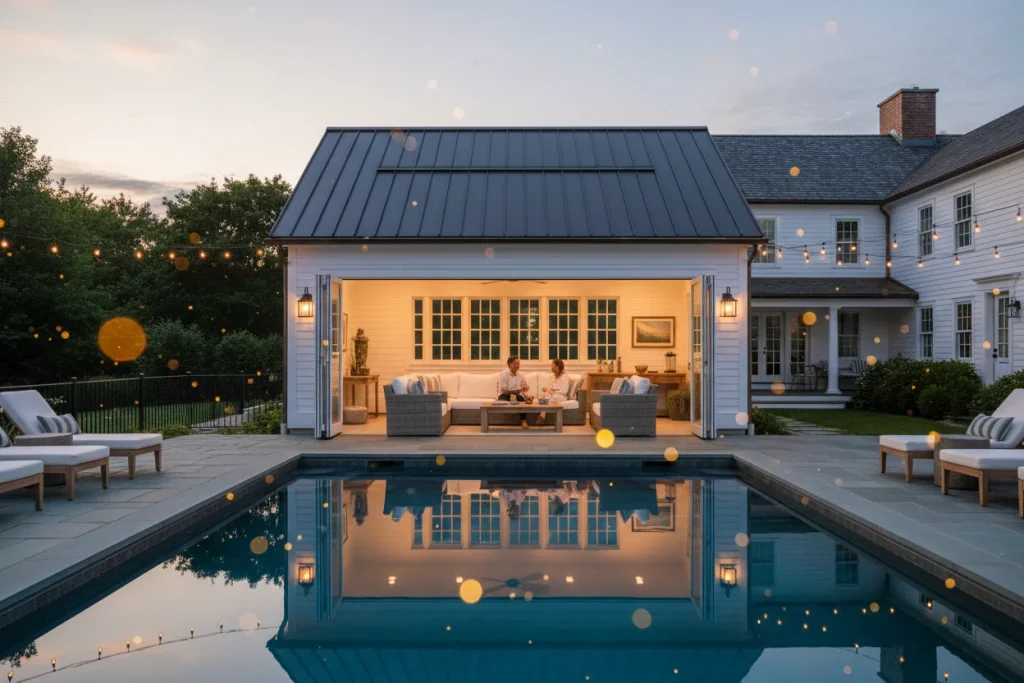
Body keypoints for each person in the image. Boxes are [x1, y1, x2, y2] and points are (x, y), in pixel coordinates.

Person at [498, 355, 531, 428]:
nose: (517, 365)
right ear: (509, 364)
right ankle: (524, 421)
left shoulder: (520, 376)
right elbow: (504, 390)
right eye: (514, 363)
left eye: (518, 363)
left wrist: (525, 389)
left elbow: (524, 387)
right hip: (504, 395)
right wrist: (519, 390)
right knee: (519, 397)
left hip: (517, 396)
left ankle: (524, 421)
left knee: (521, 397)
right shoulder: (504, 374)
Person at [538, 358, 569, 422]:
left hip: (560, 396)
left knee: (550, 397)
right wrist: (546, 389)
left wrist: (552, 391)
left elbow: (564, 391)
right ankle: (543, 413)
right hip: (551, 394)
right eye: (551, 366)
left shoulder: (564, 376)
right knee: (544, 396)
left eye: (553, 366)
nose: (551, 368)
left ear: (558, 367)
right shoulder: (552, 377)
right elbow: (549, 387)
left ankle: (543, 413)